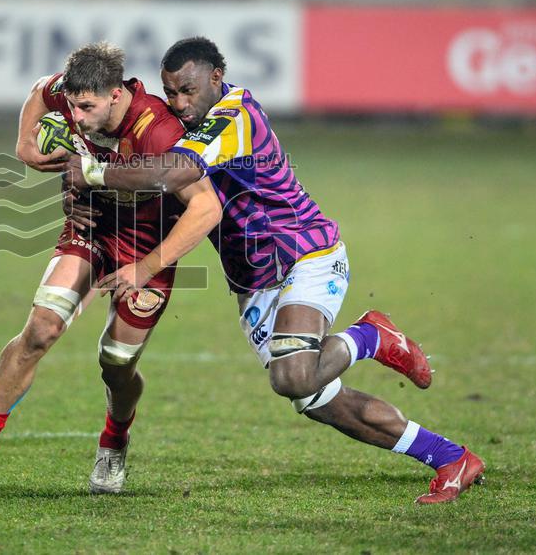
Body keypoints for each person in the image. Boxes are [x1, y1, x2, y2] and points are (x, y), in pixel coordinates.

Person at [63, 37, 485, 504]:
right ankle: (450, 457)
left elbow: (170, 174)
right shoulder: (184, 125)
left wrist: (94, 174)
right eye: (172, 93)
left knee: (294, 377)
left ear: (216, 79)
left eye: (188, 90)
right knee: (316, 398)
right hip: (254, 281)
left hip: (304, 253)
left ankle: (371, 336)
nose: (180, 104)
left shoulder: (234, 115)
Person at [0, 42, 221, 494]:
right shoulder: (71, 95)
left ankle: (114, 444)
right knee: (40, 330)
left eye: (87, 108)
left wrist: (145, 269)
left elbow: (206, 209)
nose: (78, 117)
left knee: (116, 364)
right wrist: (25, 147)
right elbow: (38, 91)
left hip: (145, 245)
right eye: (72, 106)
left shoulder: (158, 130)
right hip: (89, 227)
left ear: (115, 94)